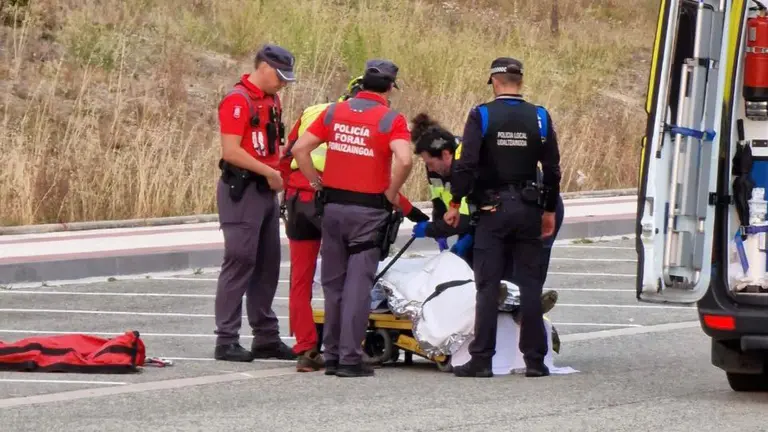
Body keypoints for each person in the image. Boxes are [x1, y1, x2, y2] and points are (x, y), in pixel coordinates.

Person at [279, 77, 428, 372]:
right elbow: (395, 165)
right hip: (360, 210)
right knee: (357, 285)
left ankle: (318, 350)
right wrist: (399, 200)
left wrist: (311, 184)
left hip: (317, 203)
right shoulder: (386, 118)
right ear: (387, 90)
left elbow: (293, 152)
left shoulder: (325, 112)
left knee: (317, 282)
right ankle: (349, 356)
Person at [444, 57, 562, 378]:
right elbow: (552, 169)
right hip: (529, 207)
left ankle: (482, 359)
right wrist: (549, 209)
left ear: (495, 82)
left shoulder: (481, 114)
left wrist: (455, 202)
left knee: (487, 284)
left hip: (492, 209)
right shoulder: (540, 116)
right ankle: (535, 361)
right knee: (530, 284)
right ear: (519, 82)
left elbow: (466, 163)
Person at [213, 43, 298, 362]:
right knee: (240, 261)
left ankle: (266, 337)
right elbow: (231, 151)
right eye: (280, 76)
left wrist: (279, 170)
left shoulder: (272, 99)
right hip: (244, 189)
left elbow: (270, 143)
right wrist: (269, 173)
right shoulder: (238, 101)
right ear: (263, 68)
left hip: (265, 190)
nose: (283, 83)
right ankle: (226, 339)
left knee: (267, 265)